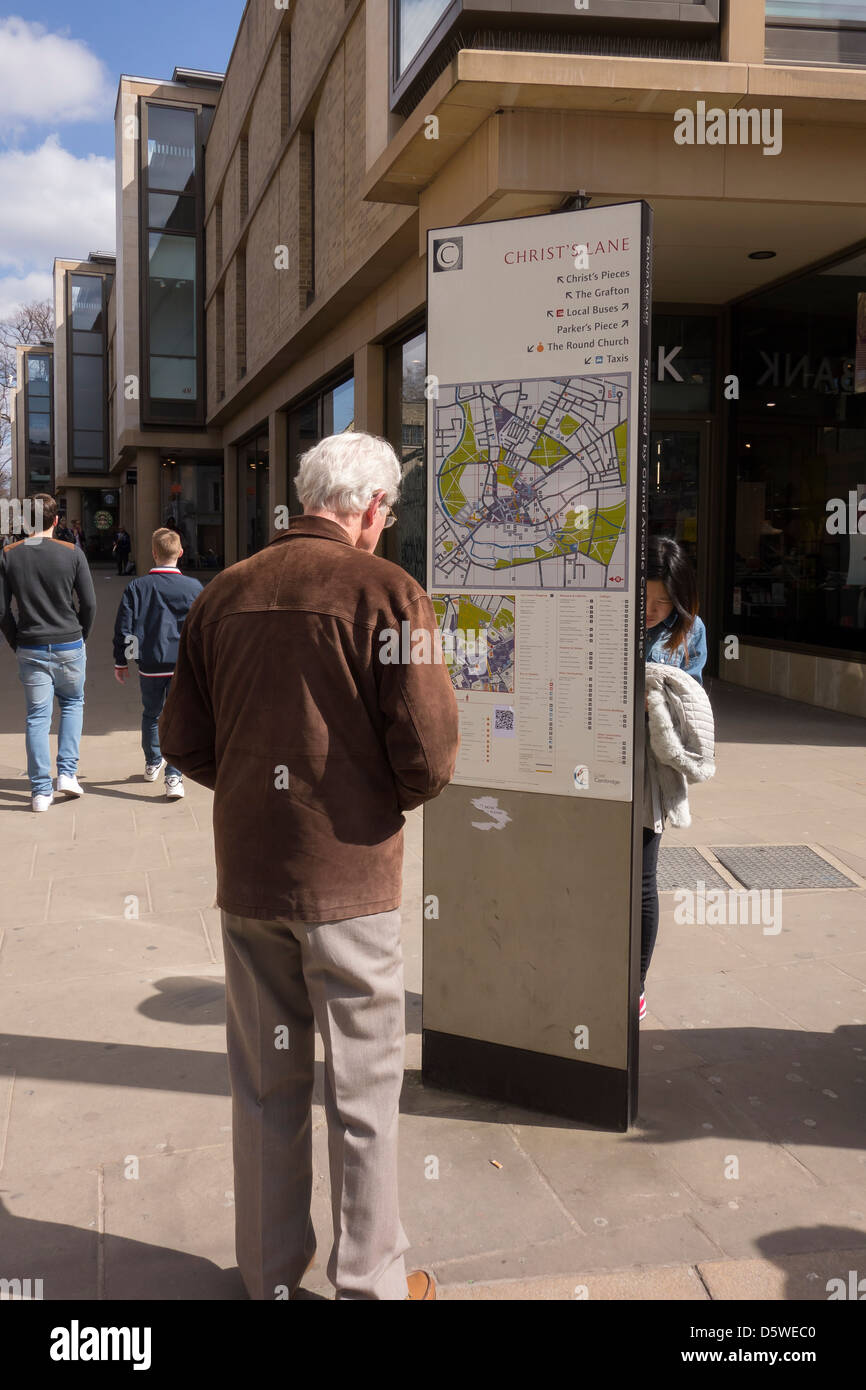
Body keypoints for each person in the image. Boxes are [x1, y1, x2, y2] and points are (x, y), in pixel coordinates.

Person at [159, 431, 460, 1301]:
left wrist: (261, 791)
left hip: (250, 876)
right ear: (370, 509)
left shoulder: (224, 592)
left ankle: (269, 1279)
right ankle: (370, 1282)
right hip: (352, 881)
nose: (382, 528)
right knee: (364, 1094)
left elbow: (184, 741)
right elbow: (431, 756)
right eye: (386, 515)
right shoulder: (391, 594)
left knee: (263, 1090)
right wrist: (370, 799)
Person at [641, 535, 707, 1020]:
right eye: (646, 597)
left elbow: (695, 703)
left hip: (652, 773)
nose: (652, 609)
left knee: (642, 880)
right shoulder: (614, 612)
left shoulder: (691, 631)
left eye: (664, 601)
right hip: (600, 762)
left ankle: (634, 984)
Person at [0, 493, 96, 811]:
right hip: (69, 641)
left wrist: (16, 641)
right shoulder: (72, 553)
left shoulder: (9, 555)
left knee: (37, 718)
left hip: (31, 645)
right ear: (57, 521)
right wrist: (82, 635)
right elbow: (90, 603)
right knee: (72, 705)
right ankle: (67, 773)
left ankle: (41, 791)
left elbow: (2, 611)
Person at [112, 528, 202, 800]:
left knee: (151, 713)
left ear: (153, 553)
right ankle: (174, 776)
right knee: (177, 718)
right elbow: (202, 628)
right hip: (181, 664)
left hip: (150, 662)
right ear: (181, 553)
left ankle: (153, 761)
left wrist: (122, 660)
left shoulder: (137, 587)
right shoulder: (194, 587)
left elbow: (125, 627)